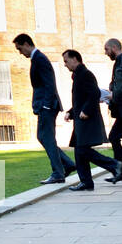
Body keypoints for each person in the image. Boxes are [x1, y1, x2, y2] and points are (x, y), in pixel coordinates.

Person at [12, 33, 74, 183]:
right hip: (45, 105)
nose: (20, 53)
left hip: (47, 106)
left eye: (20, 49)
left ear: (27, 44)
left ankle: (58, 173)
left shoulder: (39, 58)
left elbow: (49, 84)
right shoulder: (37, 59)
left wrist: (46, 105)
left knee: (46, 137)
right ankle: (68, 164)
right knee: (43, 137)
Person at [61, 50, 121, 191]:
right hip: (81, 119)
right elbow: (81, 99)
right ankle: (86, 182)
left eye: (66, 61)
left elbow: (94, 94)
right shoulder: (78, 75)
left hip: (87, 119)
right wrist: (70, 112)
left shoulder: (85, 74)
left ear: (75, 59)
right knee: (79, 150)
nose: (65, 64)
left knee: (82, 151)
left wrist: (86, 111)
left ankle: (114, 165)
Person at [103, 38, 122, 183]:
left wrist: (113, 92)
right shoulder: (120, 60)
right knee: (115, 137)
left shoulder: (121, 60)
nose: (105, 53)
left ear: (113, 47)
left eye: (106, 49)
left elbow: (121, 82)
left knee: (114, 137)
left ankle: (121, 170)